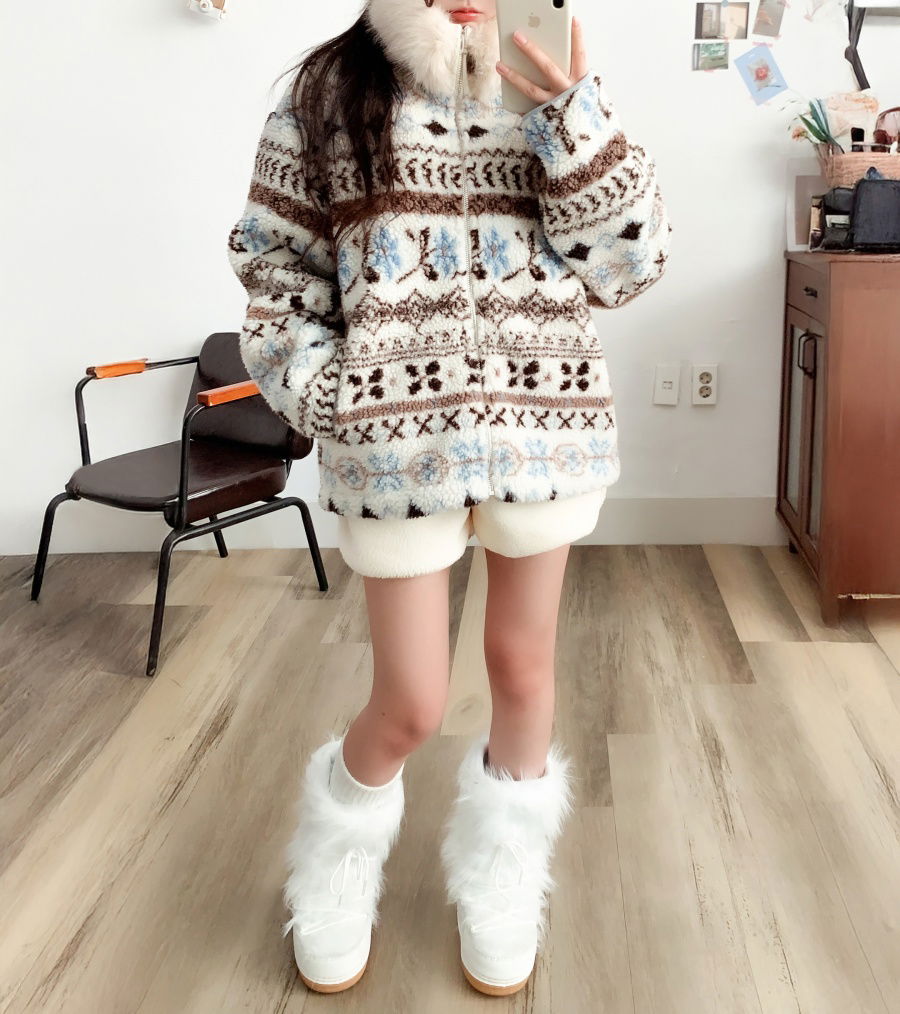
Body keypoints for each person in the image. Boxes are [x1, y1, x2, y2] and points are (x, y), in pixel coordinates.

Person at [226, 0, 671, 997]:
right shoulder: (328, 92)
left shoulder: (550, 82)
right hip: (395, 447)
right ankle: (335, 865)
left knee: (523, 669)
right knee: (411, 702)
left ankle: (504, 876)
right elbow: (274, 271)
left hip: (543, 428)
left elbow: (630, 266)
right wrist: (339, 400)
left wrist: (572, 124)